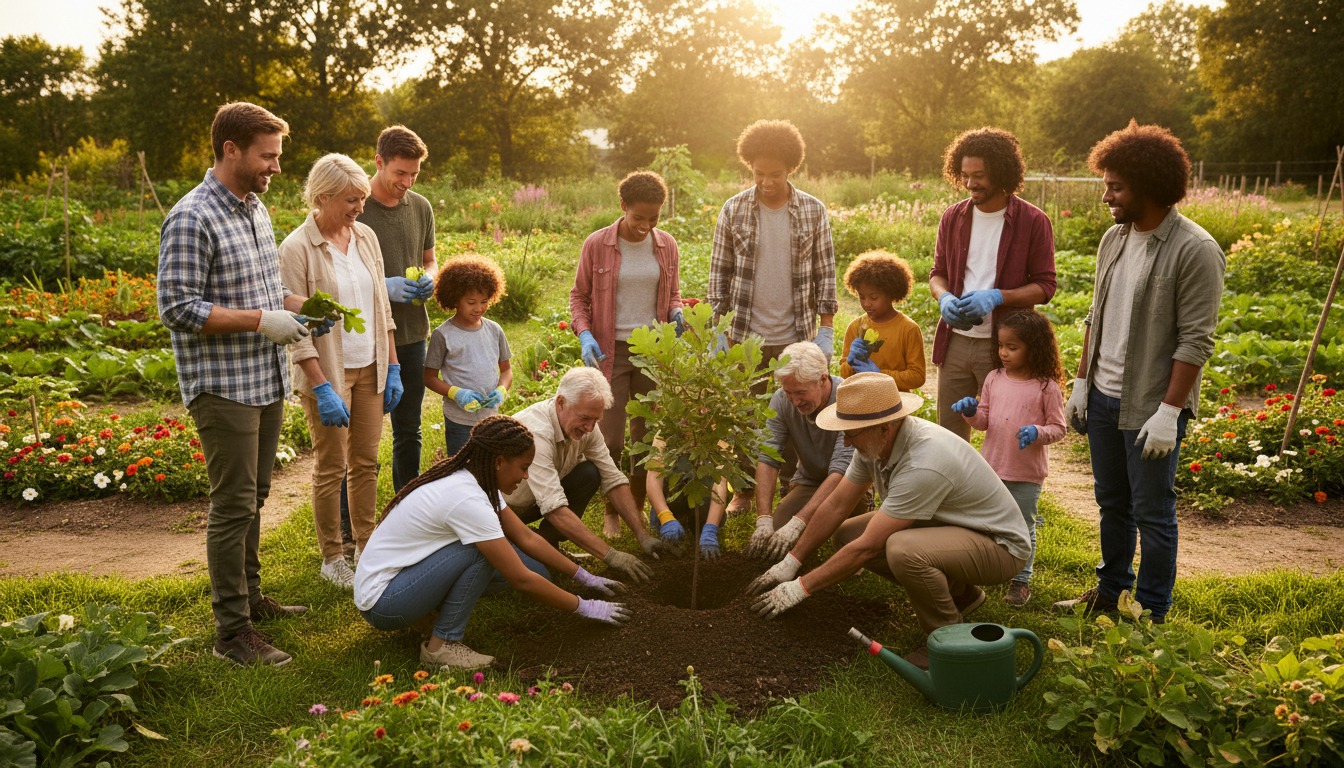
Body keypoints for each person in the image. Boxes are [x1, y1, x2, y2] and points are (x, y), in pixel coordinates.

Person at [159, 102, 332, 667]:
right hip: (222, 385)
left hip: (263, 378)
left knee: (254, 498)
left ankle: (252, 600)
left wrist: (303, 308)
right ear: (231, 149)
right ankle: (231, 634)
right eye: (268, 155)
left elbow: (262, 292)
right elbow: (178, 307)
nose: (276, 167)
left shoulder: (254, 208)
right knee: (233, 505)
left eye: (277, 156)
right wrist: (262, 321)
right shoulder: (192, 217)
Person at [1055, 121, 1225, 624]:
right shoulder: (1115, 238)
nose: (1106, 196)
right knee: (1111, 502)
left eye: (1116, 186)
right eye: (1106, 184)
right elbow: (1096, 314)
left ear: (1148, 185)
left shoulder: (1195, 250)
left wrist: (1170, 412)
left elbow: (1196, 340)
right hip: (1104, 397)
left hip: (1151, 406)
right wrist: (1081, 381)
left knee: (1153, 512)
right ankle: (1110, 593)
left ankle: (1151, 611)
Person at [749, 372, 1030, 670]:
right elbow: (836, 505)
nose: (844, 440)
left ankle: (947, 636)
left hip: (999, 546)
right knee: (846, 534)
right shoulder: (874, 443)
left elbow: (867, 549)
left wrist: (799, 588)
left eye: (850, 433)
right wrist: (792, 560)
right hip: (953, 526)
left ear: (883, 428)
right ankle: (961, 594)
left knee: (901, 549)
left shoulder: (924, 461)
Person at [354, 416, 631, 670]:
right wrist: (584, 606)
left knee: (531, 568)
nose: (525, 477)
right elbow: (521, 579)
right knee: (482, 553)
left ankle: (425, 613)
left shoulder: (476, 479)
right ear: (499, 461)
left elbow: (526, 537)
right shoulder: (468, 500)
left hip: (397, 579)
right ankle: (442, 645)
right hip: (384, 603)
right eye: (523, 468)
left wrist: (584, 576)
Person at [278, 153, 402, 590]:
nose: (359, 208)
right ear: (324, 197)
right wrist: (321, 386)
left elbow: (381, 307)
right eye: (351, 200)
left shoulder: (364, 236)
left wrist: (393, 365)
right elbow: (297, 328)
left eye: (362, 199)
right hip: (329, 373)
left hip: (371, 366)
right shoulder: (296, 248)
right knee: (332, 467)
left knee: (366, 462)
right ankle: (332, 557)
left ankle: (366, 547)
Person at [709, 119, 838, 513]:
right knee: (747, 416)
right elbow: (720, 272)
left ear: (791, 169)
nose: (766, 182)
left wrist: (827, 328)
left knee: (797, 414)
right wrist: (719, 330)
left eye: (775, 174)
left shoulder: (812, 211)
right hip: (746, 334)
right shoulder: (734, 210)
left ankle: (792, 487)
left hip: (796, 334)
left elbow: (825, 271)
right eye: (758, 173)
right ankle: (745, 490)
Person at [569, 170, 683, 538]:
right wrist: (585, 333)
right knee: (611, 439)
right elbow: (579, 296)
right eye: (639, 218)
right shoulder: (597, 244)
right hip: (610, 351)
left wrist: (677, 313)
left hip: (652, 352)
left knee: (647, 438)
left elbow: (674, 294)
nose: (646, 226)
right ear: (623, 206)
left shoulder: (666, 245)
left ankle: (636, 503)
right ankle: (612, 509)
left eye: (654, 219)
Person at [928, 127, 1056, 441]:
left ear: (1001, 173)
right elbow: (937, 274)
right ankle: (954, 491)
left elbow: (1045, 286)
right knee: (949, 435)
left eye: (980, 175)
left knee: (1005, 434)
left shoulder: (1033, 221)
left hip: (1005, 346)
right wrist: (944, 298)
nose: (970, 183)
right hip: (956, 341)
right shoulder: (953, 217)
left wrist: (997, 297)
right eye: (965, 175)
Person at [503, 367, 672, 583]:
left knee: (590, 473)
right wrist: (611, 556)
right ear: (561, 402)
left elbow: (612, 478)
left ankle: (547, 542)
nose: (590, 428)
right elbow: (554, 508)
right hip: (503, 511)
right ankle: (523, 546)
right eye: (584, 418)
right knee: (534, 573)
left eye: (596, 420)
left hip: (533, 501)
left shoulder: (585, 426)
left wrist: (643, 535)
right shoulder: (537, 434)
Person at [950, 309, 1065, 606]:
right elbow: (984, 420)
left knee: (1023, 525)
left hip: (1025, 473)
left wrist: (1037, 433)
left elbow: (1058, 428)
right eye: (1000, 345)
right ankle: (973, 572)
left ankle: (1021, 581)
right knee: (981, 522)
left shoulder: (1046, 387)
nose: (1003, 353)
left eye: (1012, 347)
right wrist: (971, 411)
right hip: (991, 466)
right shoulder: (994, 377)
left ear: (1035, 347)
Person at [359, 125, 436, 491]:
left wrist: (430, 279)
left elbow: (430, 259)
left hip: (410, 334)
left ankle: (407, 503)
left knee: (409, 428)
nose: (407, 182)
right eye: (400, 173)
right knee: (363, 436)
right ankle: (351, 521)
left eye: (414, 174)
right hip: (366, 339)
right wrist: (381, 288)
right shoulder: (356, 207)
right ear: (379, 162)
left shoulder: (420, 207)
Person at [744, 343, 864, 560]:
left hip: (850, 483)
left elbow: (841, 471)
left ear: (822, 379)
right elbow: (768, 457)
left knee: (844, 539)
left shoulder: (848, 398)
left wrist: (799, 522)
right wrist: (763, 518)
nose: (795, 401)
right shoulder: (781, 399)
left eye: (800, 392)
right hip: (810, 480)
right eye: (789, 392)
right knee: (778, 536)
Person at [424, 255, 513, 458]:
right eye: (471, 302)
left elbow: (506, 370)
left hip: (490, 417)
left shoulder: (495, 330)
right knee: (461, 468)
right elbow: (429, 378)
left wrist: (501, 390)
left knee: (489, 466)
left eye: (484, 301)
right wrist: (457, 393)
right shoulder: (443, 335)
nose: (479, 308)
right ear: (455, 299)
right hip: (459, 420)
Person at [839, 249, 926, 390]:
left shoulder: (908, 329)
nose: (866, 303)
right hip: (863, 398)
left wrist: (880, 375)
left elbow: (917, 376)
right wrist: (850, 362)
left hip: (896, 401)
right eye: (862, 297)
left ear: (892, 294)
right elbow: (844, 374)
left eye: (874, 298)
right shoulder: (856, 327)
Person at [644, 437, 730, 559]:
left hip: (703, 505)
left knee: (707, 478)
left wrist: (711, 527)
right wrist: (665, 517)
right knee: (676, 472)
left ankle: (703, 525)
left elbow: (720, 483)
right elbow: (653, 478)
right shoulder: (665, 431)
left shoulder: (721, 432)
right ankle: (672, 521)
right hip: (671, 503)